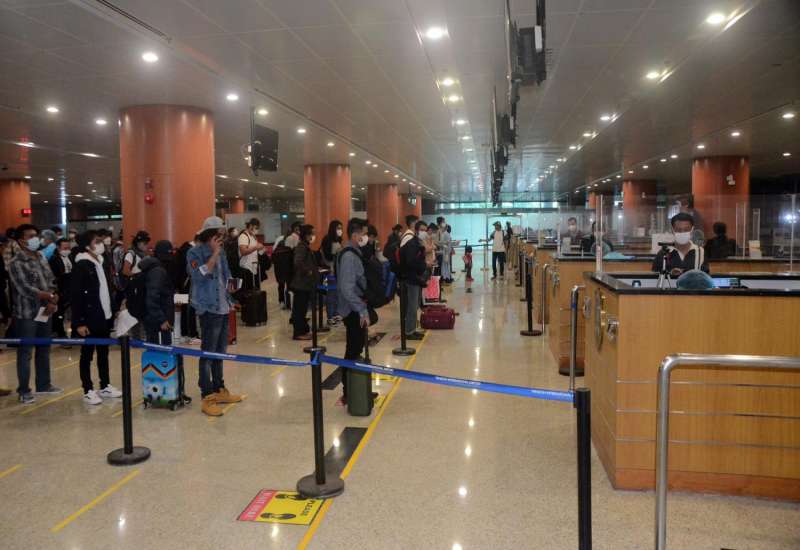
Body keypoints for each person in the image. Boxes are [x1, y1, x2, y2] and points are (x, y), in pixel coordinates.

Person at [186, 216, 243, 416]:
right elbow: (198, 277)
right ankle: (207, 395)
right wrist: (214, 253)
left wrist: (232, 287)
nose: (222, 238)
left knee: (220, 352)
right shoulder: (194, 252)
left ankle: (219, 389)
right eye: (219, 234)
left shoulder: (223, 252)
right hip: (208, 309)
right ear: (210, 235)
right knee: (208, 353)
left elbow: (226, 276)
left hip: (223, 306)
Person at [7, 224, 62, 403]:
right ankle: (24, 390)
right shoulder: (15, 262)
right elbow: (24, 288)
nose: (35, 239)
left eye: (36, 235)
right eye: (30, 236)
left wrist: (53, 299)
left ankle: (44, 384)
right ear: (21, 241)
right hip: (27, 313)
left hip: (45, 310)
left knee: (44, 348)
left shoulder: (40, 256)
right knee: (26, 352)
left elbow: (50, 280)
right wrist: (47, 296)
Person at [71, 230, 122, 405]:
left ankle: (105, 384)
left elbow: (107, 289)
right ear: (87, 245)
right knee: (87, 355)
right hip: (89, 317)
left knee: (103, 352)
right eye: (97, 241)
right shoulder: (81, 265)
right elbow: (76, 295)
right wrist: (79, 322)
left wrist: (113, 309)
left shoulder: (101, 261)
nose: (101, 244)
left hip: (104, 315)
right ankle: (88, 389)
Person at [337, 218, 370, 404]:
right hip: (352, 310)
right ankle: (348, 392)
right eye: (364, 234)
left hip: (355, 307)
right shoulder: (349, 256)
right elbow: (347, 289)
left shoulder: (353, 252)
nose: (366, 237)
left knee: (356, 348)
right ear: (356, 235)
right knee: (352, 350)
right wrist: (362, 309)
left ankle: (357, 390)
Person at [140, 240, 176, 345]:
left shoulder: (155, 268)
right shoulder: (158, 271)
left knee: (156, 349)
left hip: (156, 317)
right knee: (160, 350)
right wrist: (162, 319)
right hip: (158, 320)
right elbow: (152, 297)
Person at [652, 213, 709, 277]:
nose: (682, 232)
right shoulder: (663, 253)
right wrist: (670, 274)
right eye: (678, 230)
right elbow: (654, 278)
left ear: (692, 230)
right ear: (672, 230)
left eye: (686, 229)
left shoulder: (700, 252)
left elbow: (705, 278)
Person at [399, 218, 428, 340]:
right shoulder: (412, 243)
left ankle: (412, 329)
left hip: (416, 277)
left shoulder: (418, 243)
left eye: (425, 230)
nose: (424, 232)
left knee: (415, 305)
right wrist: (423, 265)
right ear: (416, 231)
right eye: (422, 230)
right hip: (411, 278)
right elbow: (411, 261)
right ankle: (409, 332)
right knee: (412, 305)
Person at [290, 224, 317, 341]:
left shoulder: (305, 246)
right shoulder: (301, 247)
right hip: (301, 284)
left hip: (304, 284)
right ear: (306, 235)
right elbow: (297, 262)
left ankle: (302, 330)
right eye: (312, 233)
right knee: (299, 309)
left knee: (302, 308)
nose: (313, 236)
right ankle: (298, 333)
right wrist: (308, 271)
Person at [319, 220, 343, 326]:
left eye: (341, 228)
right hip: (331, 271)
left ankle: (336, 314)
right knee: (331, 294)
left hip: (338, 270)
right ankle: (330, 316)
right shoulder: (327, 239)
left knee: (337, 294)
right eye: (338, 228)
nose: (340, 230)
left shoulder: (338, 240)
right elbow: (326, 256)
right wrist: (336, 254)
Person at [49, 238, 73, 339]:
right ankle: (60, 333)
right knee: (59, 313)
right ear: (58, 248)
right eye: (65, 248)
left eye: (69, 248)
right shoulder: (54, 260)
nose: (67, 250)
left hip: (70, 289)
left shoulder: (71, 257)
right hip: (60, 290)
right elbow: (53, 277)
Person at [238, 218, 265, 290]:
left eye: (258, 228)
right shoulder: (243, 236)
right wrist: (256, 247)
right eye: (256, 228)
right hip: (246, 268)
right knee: (248, 291)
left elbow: (255, 250)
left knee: (255, 290)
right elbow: (243, 251)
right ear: (250, 226)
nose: (257, 230)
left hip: (254, 268)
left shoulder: (253, 237)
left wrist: (261, 249)